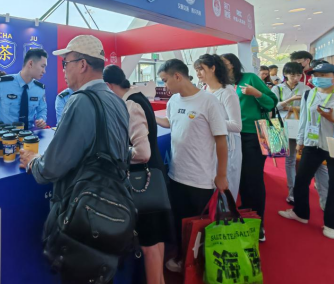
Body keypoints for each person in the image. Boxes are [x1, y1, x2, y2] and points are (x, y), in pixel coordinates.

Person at [19, 36, 130, 282]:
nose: (63, 70)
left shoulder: (80, 101)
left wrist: (33, 161)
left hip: (83, 215)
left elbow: (52, 167)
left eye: (65, 63)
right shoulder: (117, 101)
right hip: (114, 209)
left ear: (82, 65)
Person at [156, 59, 228, 273]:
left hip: (201, 179)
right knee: (181, 223)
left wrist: (221, 175)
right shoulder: (173, 101)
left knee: (200, 226)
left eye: (165, 80)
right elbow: (170, 122)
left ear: (178, 76)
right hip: (176, 174)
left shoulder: (208, 101)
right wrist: (149, 117)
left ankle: (201, 266)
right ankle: (183, 260)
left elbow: (221, 140)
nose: (164, 86)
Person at [103, 65, 171, 284]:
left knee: (148, 245)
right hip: (153, 178)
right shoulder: (138, 97)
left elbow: (142, 152)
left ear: (108, 86)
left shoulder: (130, 105)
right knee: (156, 240)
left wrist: (115, 152)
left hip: (143, 181)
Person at [279, 62, 334, 239]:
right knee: (301, 180)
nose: (318, 79)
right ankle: (300, 213)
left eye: (324, 76)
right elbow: (304, 120)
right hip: (312, 144)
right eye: (316, 75)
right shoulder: (309, 94)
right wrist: (300, 140)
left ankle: (333, 224)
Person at [222, 53, 277, 241]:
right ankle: (246, 213)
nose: (221, 67)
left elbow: (272, 102)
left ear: (233, 64)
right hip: (233, 135)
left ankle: (258, 223)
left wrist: (257, 93)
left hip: (255, 133)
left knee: (253, 178)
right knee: (240, 177)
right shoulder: (222, 84)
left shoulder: (250, 78)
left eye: (225, 63)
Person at [194, 54, 243, 198]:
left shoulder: (227, 92)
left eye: (201, 69)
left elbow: (237, 125)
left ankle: (227, 211)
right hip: (209, 145)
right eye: (196, 70)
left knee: (226, 186)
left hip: (228, 145)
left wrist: (211, 121)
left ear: (213, 68)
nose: (198, 73)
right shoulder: (204, 90)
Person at [0, 49, 48, 128]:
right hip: (5, 133)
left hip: (29, 134)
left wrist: (41, 119)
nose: (44, 71)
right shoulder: (2, 83)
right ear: (30, 63)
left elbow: (42, 110)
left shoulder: (39, 88)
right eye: (42, 66)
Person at [272, 62, 310, 204]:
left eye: (298, 75)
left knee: (304, 158)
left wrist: (287, 106)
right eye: (292, 75)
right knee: (290, 159)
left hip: (301, 126)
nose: (296, 78)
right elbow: (273, 106)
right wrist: (291, 100)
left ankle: (300, 188)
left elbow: (308, 108)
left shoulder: (305, 88)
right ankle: (292, 190)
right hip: (284, 126)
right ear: (285, 74)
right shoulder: (277, 88)